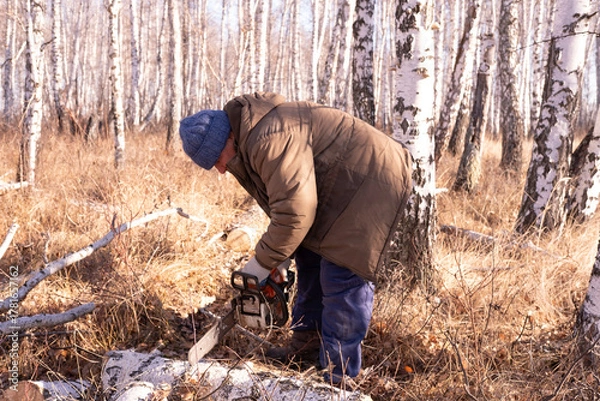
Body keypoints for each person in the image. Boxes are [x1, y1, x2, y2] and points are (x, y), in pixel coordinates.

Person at [179, 92, 412, 384]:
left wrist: (260, 265)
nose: (221, 169)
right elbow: (287, 205)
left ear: (225, 141)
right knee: (309, 256)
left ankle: (340, 377)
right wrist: (280, 259)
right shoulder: (252, 135)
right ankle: (307, 346)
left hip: (371, 181)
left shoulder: (268, 137)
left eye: (216, 160)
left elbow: (295, 212)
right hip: (337, 184)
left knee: (341, 274)